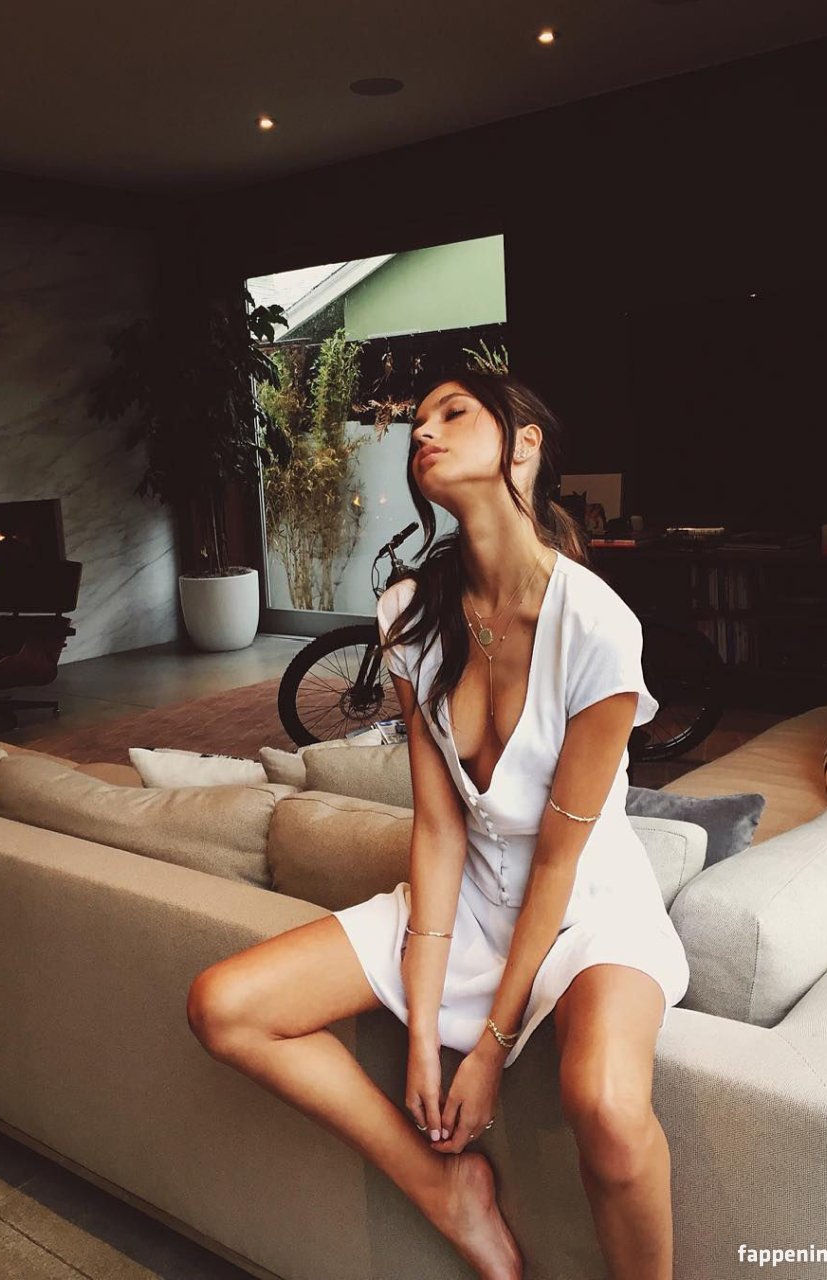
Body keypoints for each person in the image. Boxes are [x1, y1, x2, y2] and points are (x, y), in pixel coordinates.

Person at [186, 369, 690, 1280]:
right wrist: (422, 1033)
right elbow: (439, 831)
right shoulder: (412, 611)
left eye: (454, 413)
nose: (424, 431)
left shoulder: (598, 628)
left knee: (610, 1113)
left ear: (525, 446)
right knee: (224, 1007)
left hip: (586, 909)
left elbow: (557, 866)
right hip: (469, 903)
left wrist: (487, 1051)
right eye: (418, 422)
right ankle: (443, 1189)